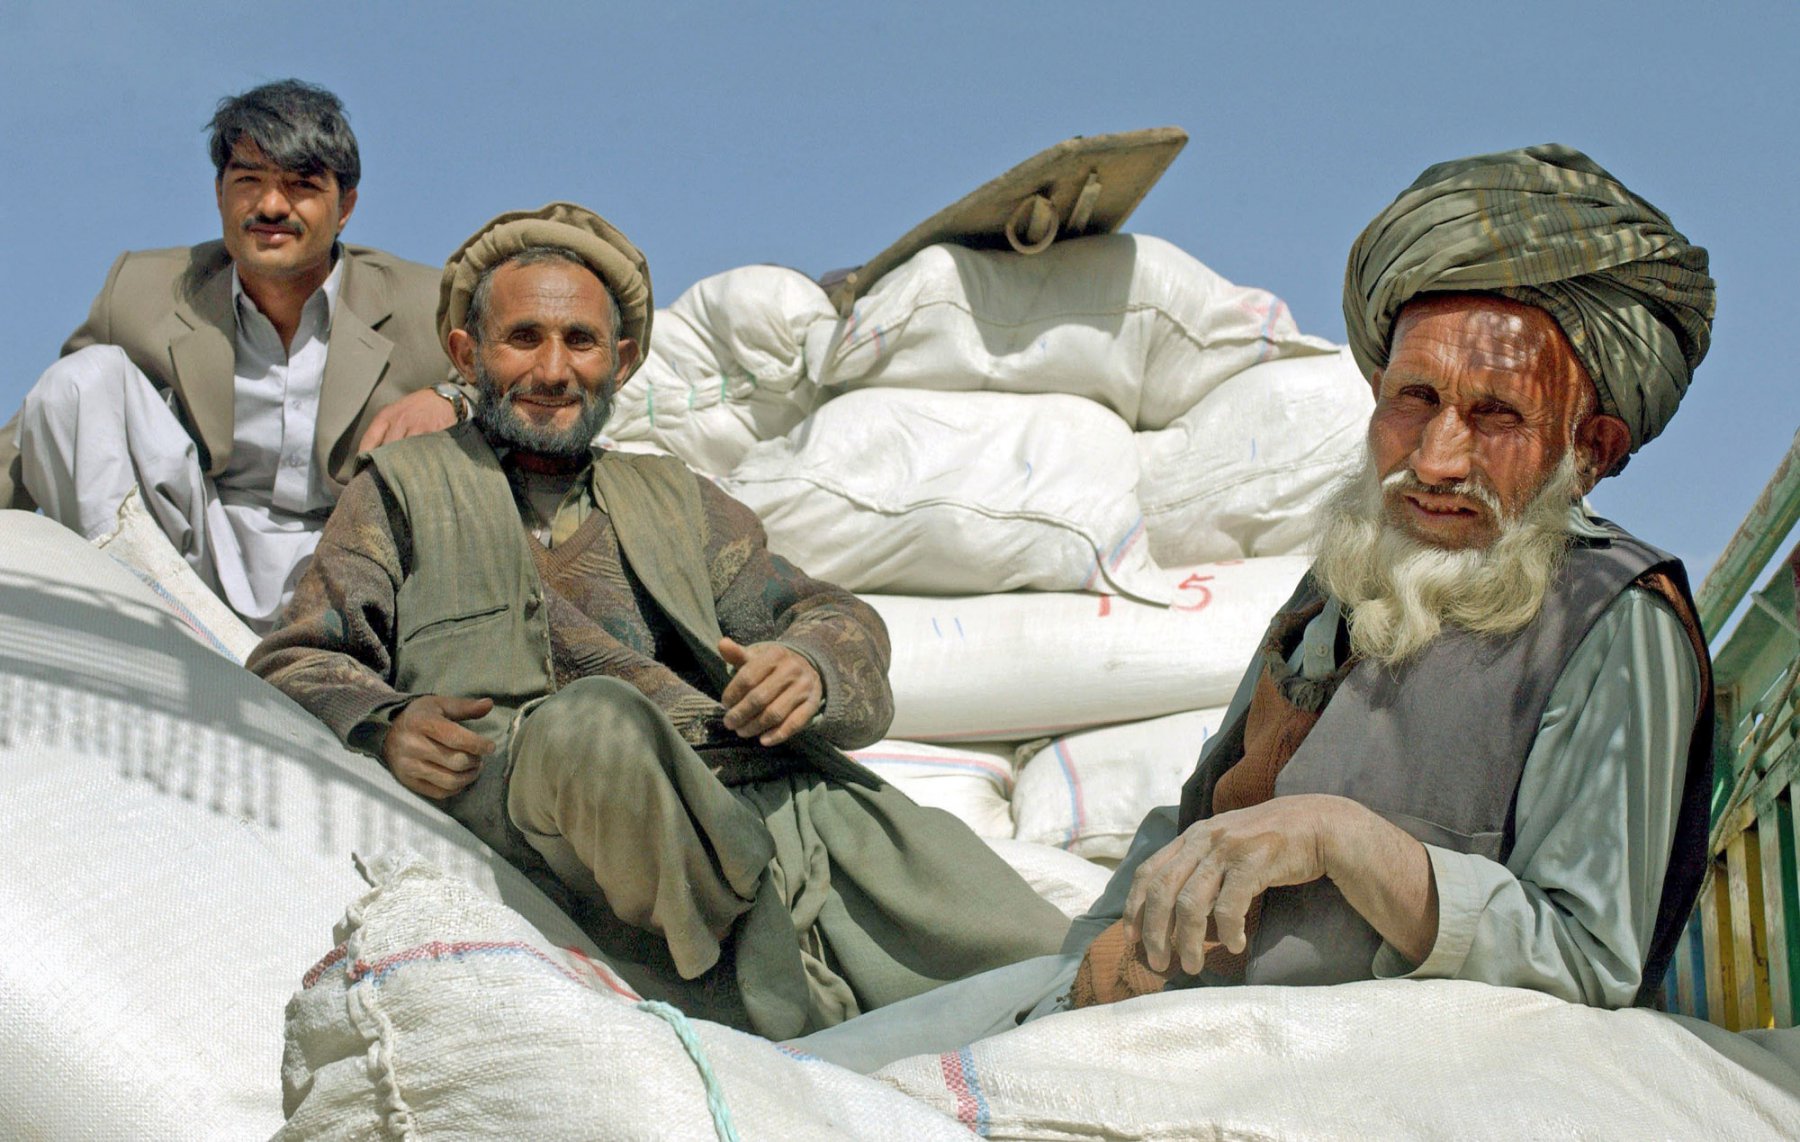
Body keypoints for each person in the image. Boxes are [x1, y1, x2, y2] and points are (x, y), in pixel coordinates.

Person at [791, 143, 1718, 1072]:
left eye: (1496, 417)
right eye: (1414, 400)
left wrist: (1342, 839)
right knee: (792, 1083)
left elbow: (1593, 963)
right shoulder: (1345, 584)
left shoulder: (1616, 622)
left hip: (1330, 1076)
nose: (1434, 458)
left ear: (1591, 447)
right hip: (1140, 1032)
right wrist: (1088, 969)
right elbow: (1201, 816)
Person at [247, 202, 1069, 1040]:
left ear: (624, 362)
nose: (555, 369)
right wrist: (388, 724)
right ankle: (771, 992)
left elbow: (827, 611)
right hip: (554, 805)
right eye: (523, 338)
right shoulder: (400, 489)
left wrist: (808, 666)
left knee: (1051, 964)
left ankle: (820, 991)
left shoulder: (675, 496)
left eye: (582, 343)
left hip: (759, 798)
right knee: (596, 728)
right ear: (466, 354)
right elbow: (297, 658)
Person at [0, 79, 460, 631]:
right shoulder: (144, 288)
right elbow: (43, 431)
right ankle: (152, 620)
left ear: (345, 208)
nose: (271, 206)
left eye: (301, 185)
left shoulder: (426, 305)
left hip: (351, 574)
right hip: (181, 563)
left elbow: (533, 386)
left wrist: (451, 397)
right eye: (249, 180)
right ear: (220, 192)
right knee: (77, 381)